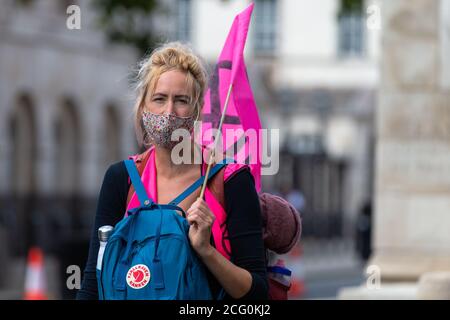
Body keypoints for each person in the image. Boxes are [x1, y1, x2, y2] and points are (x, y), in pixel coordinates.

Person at [76, 42, 268, 300]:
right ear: (143, 107)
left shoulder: (230, 180)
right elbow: (92, 280)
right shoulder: (121, 178)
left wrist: (206, 250)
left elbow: (256, 295)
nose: (169, 112)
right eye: (159, 99)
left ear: (198, 109)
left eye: (181, 101)